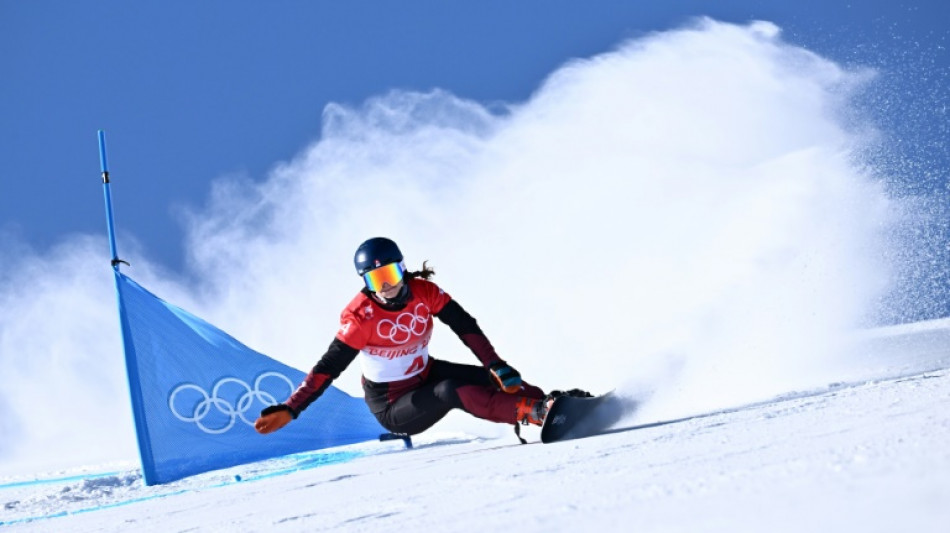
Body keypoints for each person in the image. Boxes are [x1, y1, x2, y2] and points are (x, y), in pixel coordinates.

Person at [254, 237, 587, 439]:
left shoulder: (423, 291)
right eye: (375, 280)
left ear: (403, 269)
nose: (386, 287)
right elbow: (327, 369)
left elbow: (464, 325)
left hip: (425, 373)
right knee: (450, 390)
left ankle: (552, 405)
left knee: (493, 378)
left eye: (390, 274)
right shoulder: (360, 319)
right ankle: (536, 413)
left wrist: (495, 364)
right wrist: (291, 408)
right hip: (393, 405)